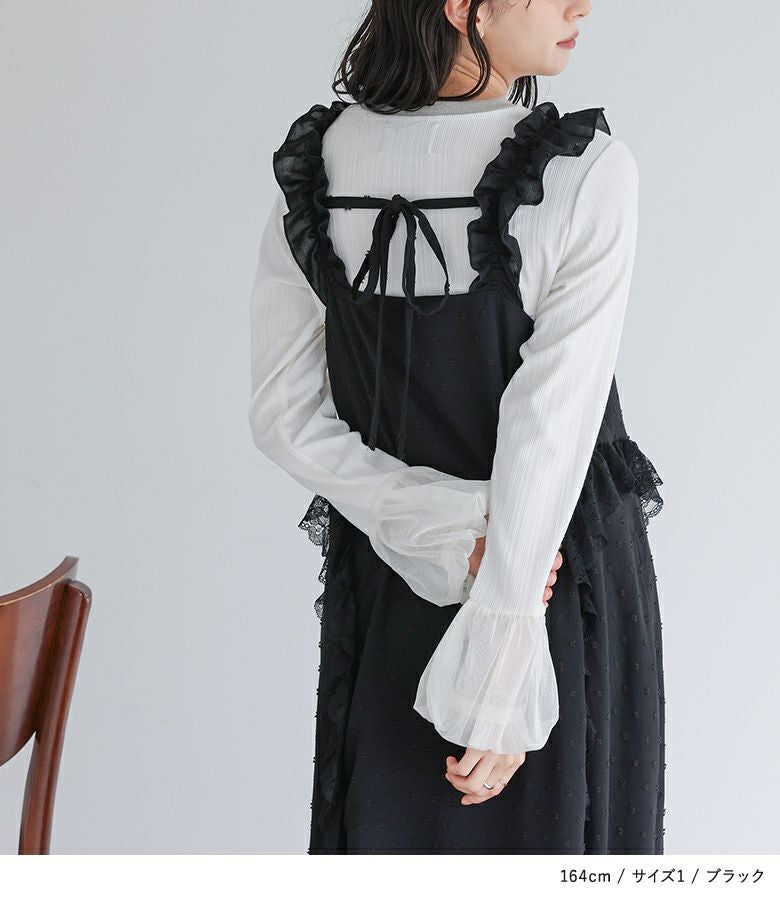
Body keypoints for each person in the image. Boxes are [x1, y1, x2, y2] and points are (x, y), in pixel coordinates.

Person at [248, 0, 666, 854]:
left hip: (395, 572)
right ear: (461, 6)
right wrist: (502, 679)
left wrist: (439, 528)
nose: (580, 5)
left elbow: (284, 417)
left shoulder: (320, 165)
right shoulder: (585, 171)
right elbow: (548, 433)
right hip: (550, 577)